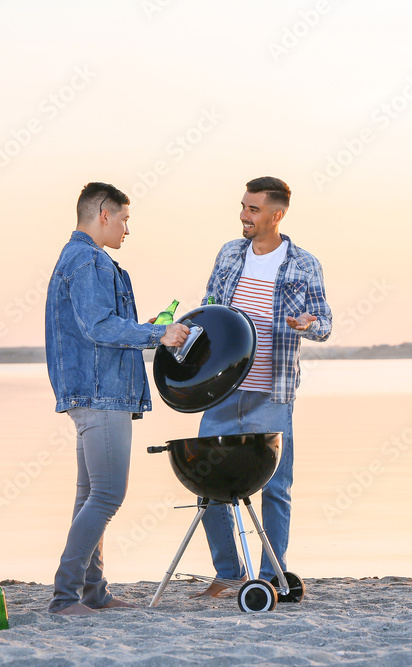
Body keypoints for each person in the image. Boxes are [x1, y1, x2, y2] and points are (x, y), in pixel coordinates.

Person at [45, 182, 189, 615]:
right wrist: (157, 333)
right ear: (103, 213)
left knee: (90, 495)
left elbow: (101, 326)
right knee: (107, 496)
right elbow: (97, 328)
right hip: (100, 394)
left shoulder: (77, 258)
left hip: (89, 391)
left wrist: (139, 328)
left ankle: (94, 593)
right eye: (125, 219)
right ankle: (65, 596)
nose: (127, 229)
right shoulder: (88, 260)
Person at [195, 176, 331, 596]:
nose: (243, 216)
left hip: (273, 393)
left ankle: (273, 575)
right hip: (221, 391)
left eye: (253, 209)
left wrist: (309, 324)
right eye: (242, 206)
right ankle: (229, 572)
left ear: (277, 214)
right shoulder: (229, 254)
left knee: (276, 487)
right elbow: (211, 312)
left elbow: (323, 323)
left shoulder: (304, 263)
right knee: (208, 484)